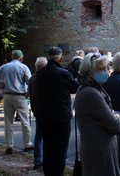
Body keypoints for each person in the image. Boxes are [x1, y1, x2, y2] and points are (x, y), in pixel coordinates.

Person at [74, 52, 120, 176]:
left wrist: (113, 115)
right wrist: (118, 116)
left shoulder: (92, 89)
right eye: (102, 69)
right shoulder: (91, 93)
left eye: (107, 68)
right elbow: (115, 126)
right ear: (89, 71)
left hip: (99, 149)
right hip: (100, 152)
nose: (106, 71)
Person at [34, 47, 79, 176]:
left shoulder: (41, 74)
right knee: (60, 149)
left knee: (48, 147)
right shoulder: (62, 73)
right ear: (60, 57)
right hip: (61, 116)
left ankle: (48, 172)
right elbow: (75, 88)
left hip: (45, 116)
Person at [0, 49, 33, 154]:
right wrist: (28, 93)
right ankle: (27, 144)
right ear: (21, 58)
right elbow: (30, 82)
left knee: (8, 122)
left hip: (7, 96)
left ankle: (9, 145)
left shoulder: (5, 67)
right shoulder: (23, 67)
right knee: (24, 122)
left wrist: (0, 86)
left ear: (12, 57)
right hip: (20, 96)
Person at [27, 56, 48, 169]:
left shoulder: (32, 79)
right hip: (45, 111)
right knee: (47, 137)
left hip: (37, 110)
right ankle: (44, 160)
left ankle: (37, 160)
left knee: (39, 136)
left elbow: (29, 94)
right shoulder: (44, 78)